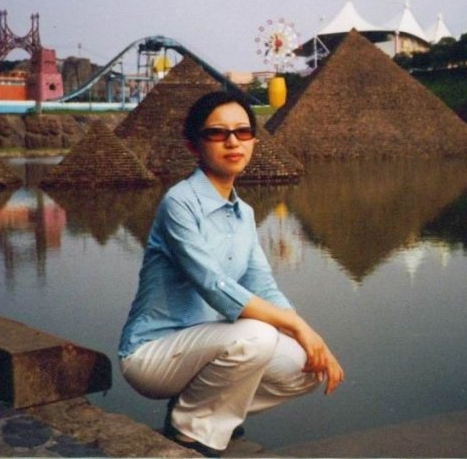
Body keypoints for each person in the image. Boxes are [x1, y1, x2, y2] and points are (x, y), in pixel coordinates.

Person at [118, 90, 344, 457]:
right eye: (217, 133)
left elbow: (263, 285)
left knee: (306, 366)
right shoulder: (180, 203)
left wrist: (308, 336)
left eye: (243, 131)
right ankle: (190, 429)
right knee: (257, 334)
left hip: (208, 349)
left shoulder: (244, 214)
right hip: (153, 353)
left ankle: (211, 410)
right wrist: (296, 325)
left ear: (254, 140)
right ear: (193, 146)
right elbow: (214, 285)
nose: (233, 141)